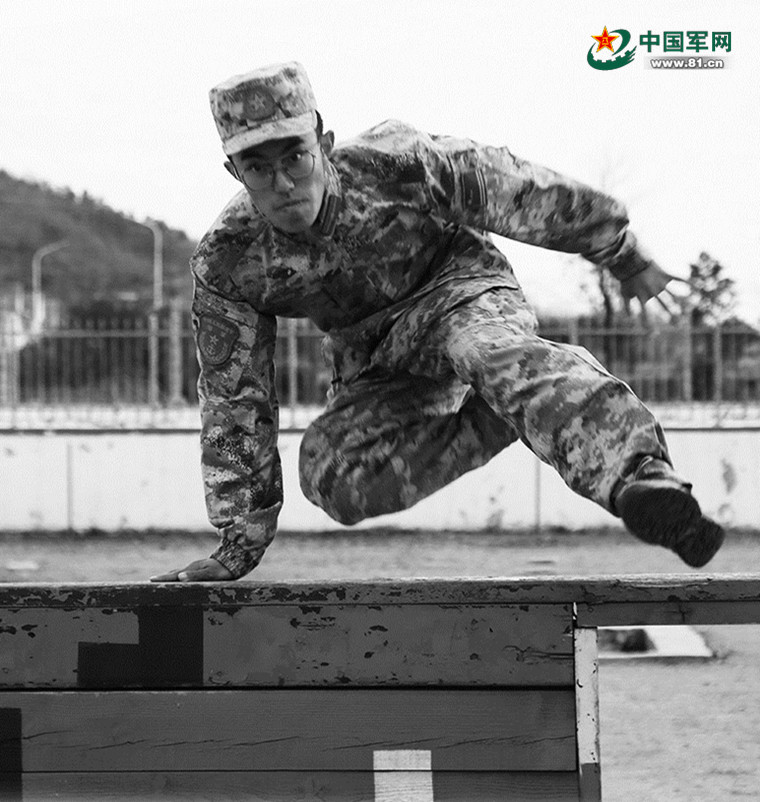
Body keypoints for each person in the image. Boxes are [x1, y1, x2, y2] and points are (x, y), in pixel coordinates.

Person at [151, 61, 724, 583]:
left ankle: (639, 477)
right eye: (258, 168)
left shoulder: (397, 164)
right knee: (332, 474)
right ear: (234, 171)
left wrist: (618, 249)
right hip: (379, 357)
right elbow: (234, 400)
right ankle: (503, 412)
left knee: (483, 352)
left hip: (461, 294)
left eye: (295, 158)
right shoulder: (229, 263)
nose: (282, 185)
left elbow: (513, 188)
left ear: (323, 143)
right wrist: (238, 542)